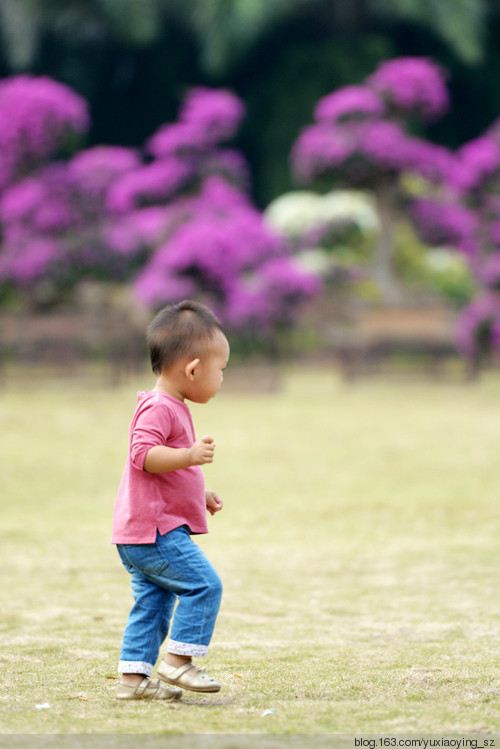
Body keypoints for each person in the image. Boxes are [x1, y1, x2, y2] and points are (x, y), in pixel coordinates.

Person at [112, 300, 230, 701]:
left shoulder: (171, 405)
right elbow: (142, 455)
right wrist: (189, 456)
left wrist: (199, 491)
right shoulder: (160, 407)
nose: (221, 380)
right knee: (204, 586)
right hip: (156, 533)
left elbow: (168, 476)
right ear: (194, 369)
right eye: (221, 371)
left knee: (154, 603)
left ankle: (133, 679)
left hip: (140, 532)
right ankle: (179, 661)